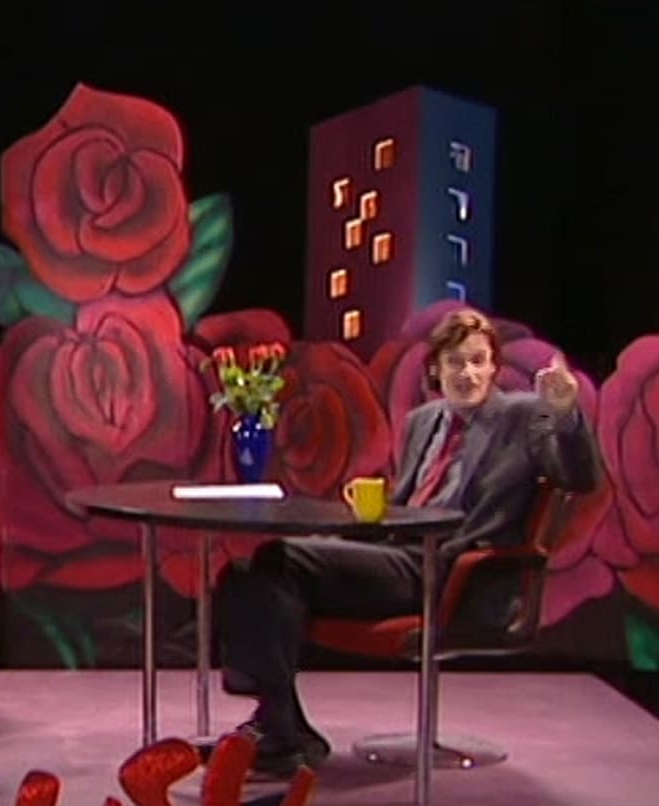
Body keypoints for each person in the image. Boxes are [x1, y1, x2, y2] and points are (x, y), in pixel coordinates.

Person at [212, 307, 601, 778]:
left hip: (450, 570)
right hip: (399, 555)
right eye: (455, 362)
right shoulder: (423, 421)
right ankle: (282, 725)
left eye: (478, 361)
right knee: (246, 574)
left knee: (277, 559)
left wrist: (565, 414)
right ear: (435, 368)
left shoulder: (523, 415)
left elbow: (577, 477)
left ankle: (279, 727)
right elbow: (405, 506)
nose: (467, 373)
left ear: (494, 368)